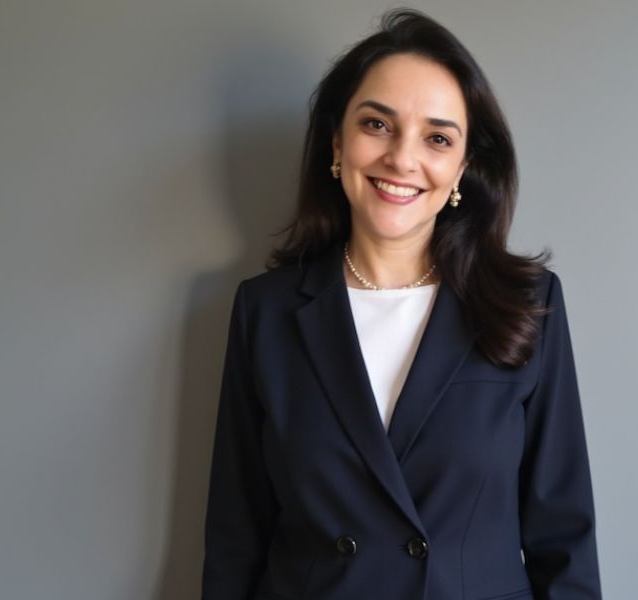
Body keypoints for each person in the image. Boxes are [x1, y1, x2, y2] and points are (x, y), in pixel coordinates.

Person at [202, 8, 601, 600]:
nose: (402, 159)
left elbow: (564, 538)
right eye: (377, 124)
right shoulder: (266, 312)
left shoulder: (527, 304)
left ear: (462, 167)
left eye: (437, 138)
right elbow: (236, 537)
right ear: (337, 141)